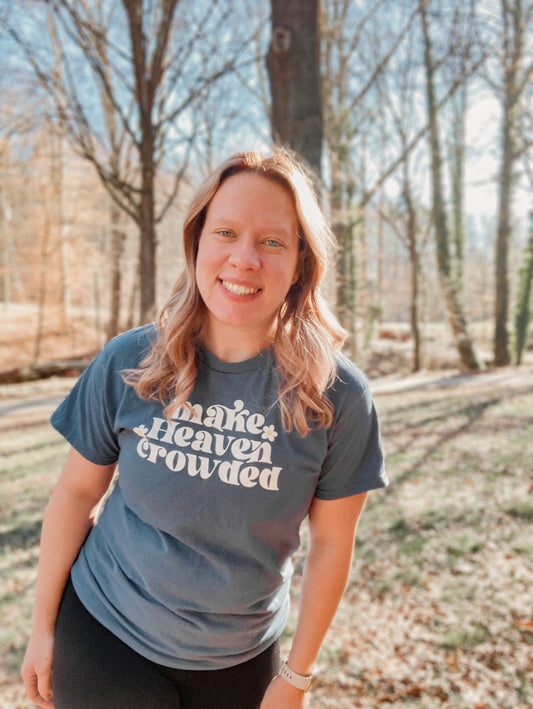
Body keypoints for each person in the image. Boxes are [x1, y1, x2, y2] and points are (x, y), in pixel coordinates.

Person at [21, 150, 388, 709]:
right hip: (106, 630)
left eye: (272, 241)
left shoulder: (338, 397)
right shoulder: (132, 360)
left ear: (300, 261)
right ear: (197, 243)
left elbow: (334, 542)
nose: (245, 258)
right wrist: (42, 630)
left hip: (240, 656)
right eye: (226, 232)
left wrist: (297, 677)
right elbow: (75, 494)